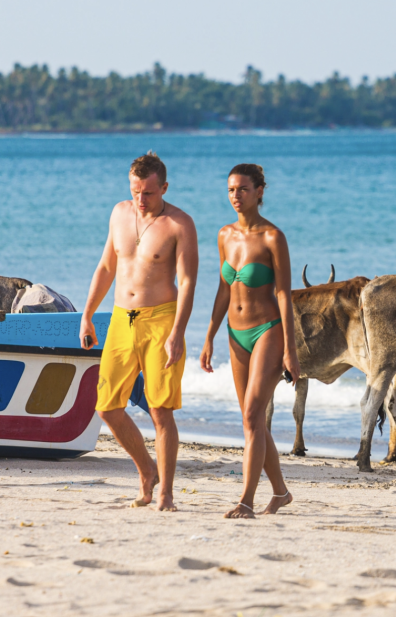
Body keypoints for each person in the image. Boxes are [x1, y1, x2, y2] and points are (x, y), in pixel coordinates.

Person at [79, 152, 198, 512]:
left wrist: (178, 330)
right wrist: (86, 314)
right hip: (120, 317)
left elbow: (189, 281)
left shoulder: (180, 224)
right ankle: (147, 471)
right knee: (107, 407)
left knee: (160, 410)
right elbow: (106, 266)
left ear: (163, 187)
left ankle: (165, 494)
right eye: (135, 191)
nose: (140, 200)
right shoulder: (119, 213)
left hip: (161, 319)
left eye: (148, 192)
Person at [200, 164, 299, 519]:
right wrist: (209, 335)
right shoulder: (224, 235)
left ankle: (245, 500)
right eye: (230, 190)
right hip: (234, 333)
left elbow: (285, 294)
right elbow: (224, 288)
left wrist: (291, 348)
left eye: (243, 189)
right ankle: (282, 493)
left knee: (253, 413)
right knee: (250, 419)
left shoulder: (274, 237)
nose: (235, 196)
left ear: (260, 191)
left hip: (267, 330)